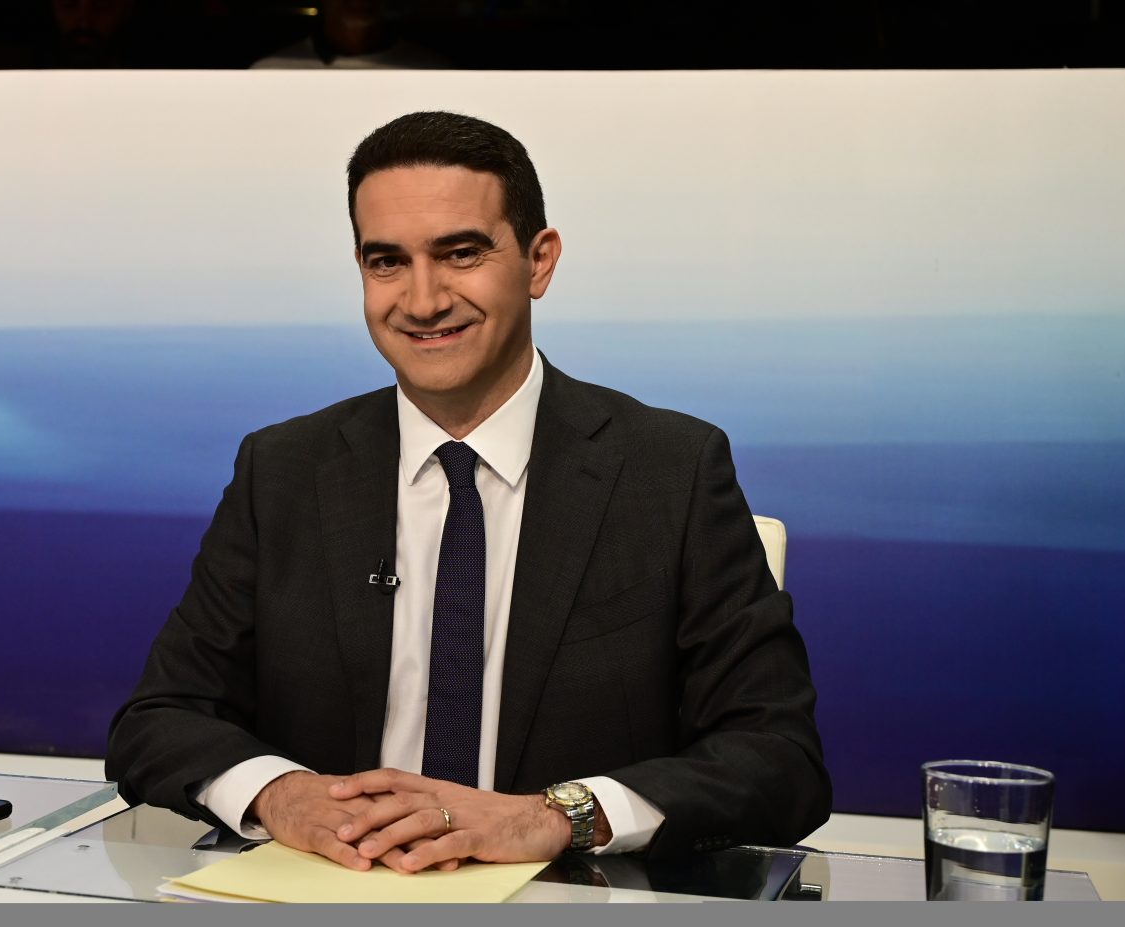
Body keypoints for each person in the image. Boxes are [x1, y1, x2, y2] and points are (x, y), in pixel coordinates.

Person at [106, 111, 831, 873]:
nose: (422, 301)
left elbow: (778, 758)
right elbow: (159, 719)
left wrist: (553, 816)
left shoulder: (670, 471)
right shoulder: (283, 468)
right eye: (388, 262)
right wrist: (281, 795)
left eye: (460, 253)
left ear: (539, 262)